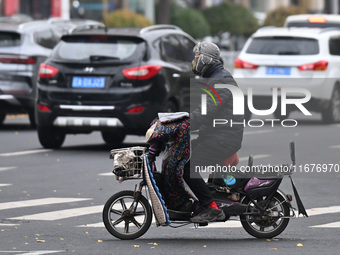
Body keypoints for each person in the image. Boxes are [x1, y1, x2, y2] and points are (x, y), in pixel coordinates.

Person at [184, 41, 244, 223]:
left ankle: (211, 208)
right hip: (216, 136)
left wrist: (181, 124)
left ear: (206, 59)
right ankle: (207, 202)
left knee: (187, 168)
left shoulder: (221, 80)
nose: (194, 60)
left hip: (222, 139)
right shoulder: (215, 78)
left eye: (196, 57)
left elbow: (205, 113)